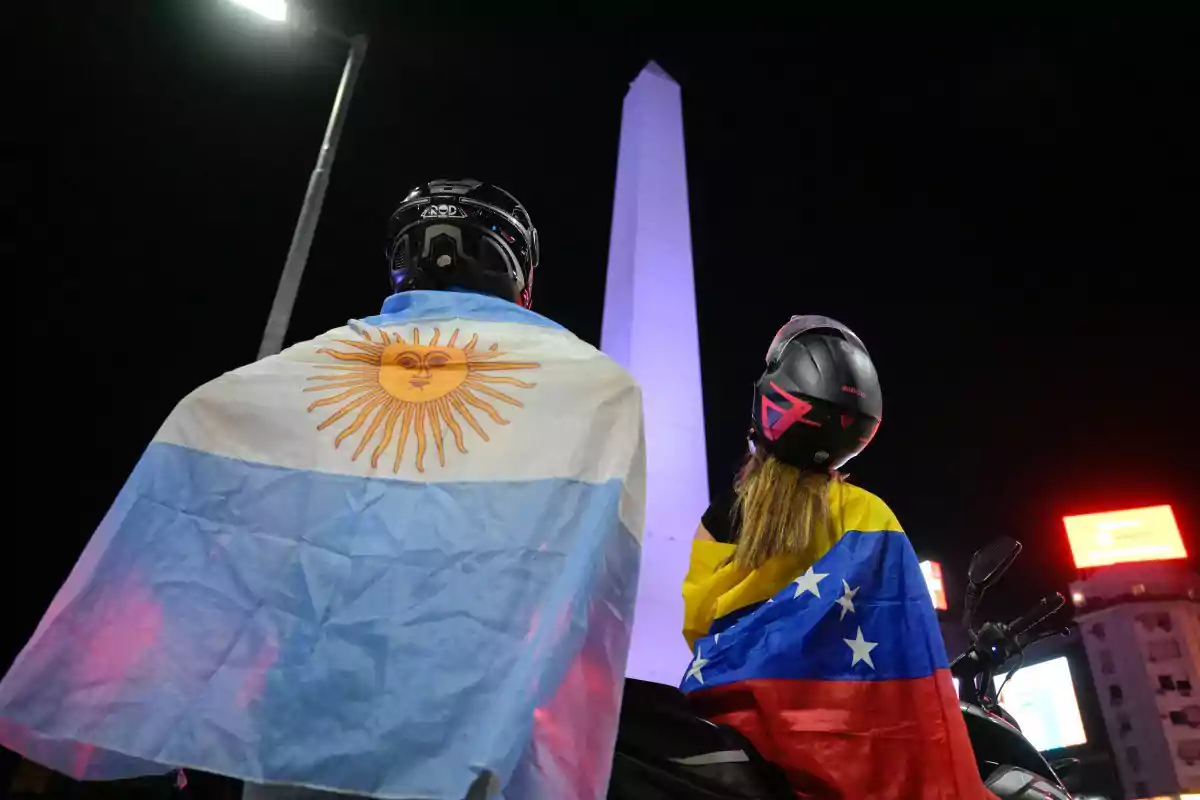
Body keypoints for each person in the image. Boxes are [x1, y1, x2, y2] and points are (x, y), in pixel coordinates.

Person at [0, 179, 646, 800]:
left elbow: (199, 536)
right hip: (465, 719)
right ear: (521, 279)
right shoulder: (590, 386)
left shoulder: (283, 380)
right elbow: (593, 589)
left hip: (294, 710)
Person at [679, 316, 993, 799]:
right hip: (872, 762)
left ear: (771, 403)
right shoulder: (872, 517)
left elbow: (700, 625)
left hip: (741, 754)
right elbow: (910, 641)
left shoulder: (723, 518)